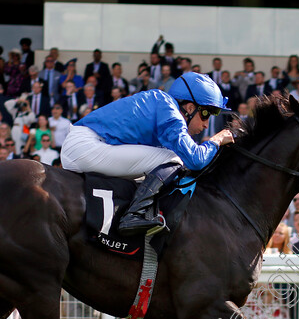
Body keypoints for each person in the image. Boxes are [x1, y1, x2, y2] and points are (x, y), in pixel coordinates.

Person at [61, 72, 234, 235]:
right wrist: (216, 140)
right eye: (206, 115)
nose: (206, 125)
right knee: (173, 159)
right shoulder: (170, 111)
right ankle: (134, 214)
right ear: (189, 107)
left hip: (83, 144)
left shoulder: (161, 104)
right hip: (86, 146)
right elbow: (195, 160)